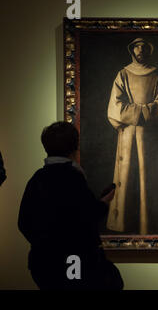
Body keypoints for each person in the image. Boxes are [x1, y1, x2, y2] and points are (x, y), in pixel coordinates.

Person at [18, 121, 123, 290]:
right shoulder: (73, 177)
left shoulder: (37, 178)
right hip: (75, 263)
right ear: (75, 146)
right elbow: (87, 215)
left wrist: (45, 245)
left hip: (44, 265)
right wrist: (104, 202)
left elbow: (23, 222)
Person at [107, 37, 158, 234]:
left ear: (148, 50)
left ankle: (146, 225)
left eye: (143, 46)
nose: (140, 50)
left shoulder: (156, 75)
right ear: (131, 50)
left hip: (149, 136)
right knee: (127, 176)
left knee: (146, 177)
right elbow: (115, 107)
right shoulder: (123, 74)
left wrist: (144, 114)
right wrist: (139, 113)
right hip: (127, 135)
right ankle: (123, 224)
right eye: (136, 46)